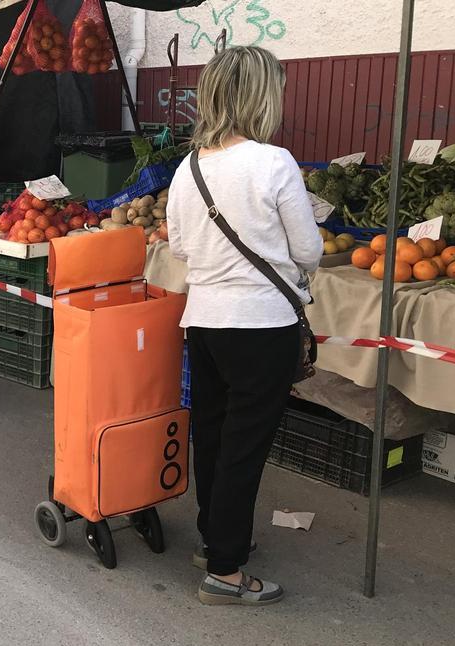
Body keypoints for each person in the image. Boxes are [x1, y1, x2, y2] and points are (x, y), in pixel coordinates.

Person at [165, 46, 321, 607]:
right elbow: (308, 250)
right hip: (260, 324)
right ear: (262, 96)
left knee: (212, 435)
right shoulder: (273, 162)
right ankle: (226, 570)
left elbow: (181, 247)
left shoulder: (190, 166)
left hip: (204, 320)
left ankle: (215, 543)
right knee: (244, 447)